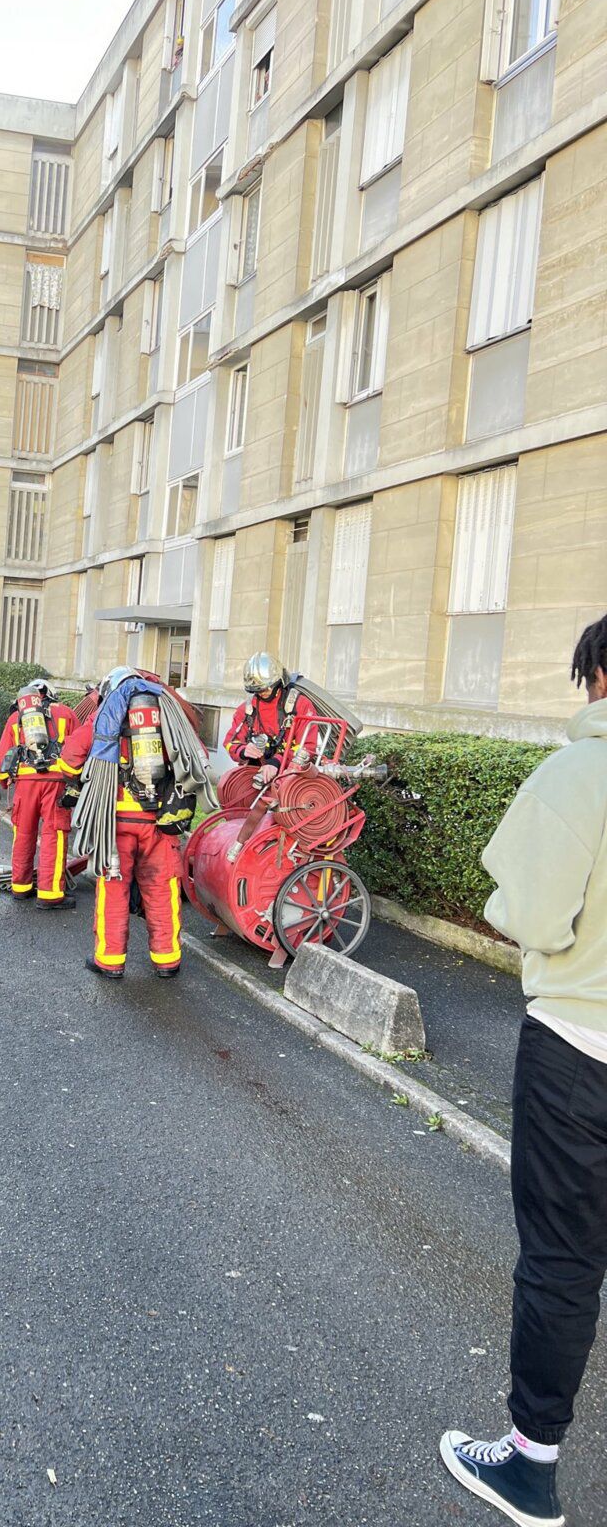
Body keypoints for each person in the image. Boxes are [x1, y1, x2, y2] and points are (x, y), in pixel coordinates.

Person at [439, 615, 607, 1527]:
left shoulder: (579, 775)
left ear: (598, 676)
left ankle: (531, 1468)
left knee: (564, 1261)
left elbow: (530, 916)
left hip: (580, 1050)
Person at [58, 667, 203, 978]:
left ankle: (109, 961)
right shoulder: (167, 721)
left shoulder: (102, 721)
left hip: (114, 825)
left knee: (113, 891)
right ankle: (167, 960)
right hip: (161, 824)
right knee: (162, 890)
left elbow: (69, 759)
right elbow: (195, 758)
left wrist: (82, 777)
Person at [0, 680, 79, 909]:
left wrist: (3, 781)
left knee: (23, 833)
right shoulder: (65, 713)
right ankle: (50, 895)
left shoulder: (16, 718)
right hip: (56, 783)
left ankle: (20, 887)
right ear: (51, 694)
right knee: (54, 835)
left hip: (25, 784)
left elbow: (1, 759)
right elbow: (80, 749)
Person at [223, 651, 320, 780]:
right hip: (258, 771)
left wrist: (277, 761)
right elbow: (230, 742)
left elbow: (307, 748)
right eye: (257, 690)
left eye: (265, 688)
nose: (262, 693)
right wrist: (243, 750)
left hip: (292, 773)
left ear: (278, 682)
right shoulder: (247, 710)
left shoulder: (300, 706)